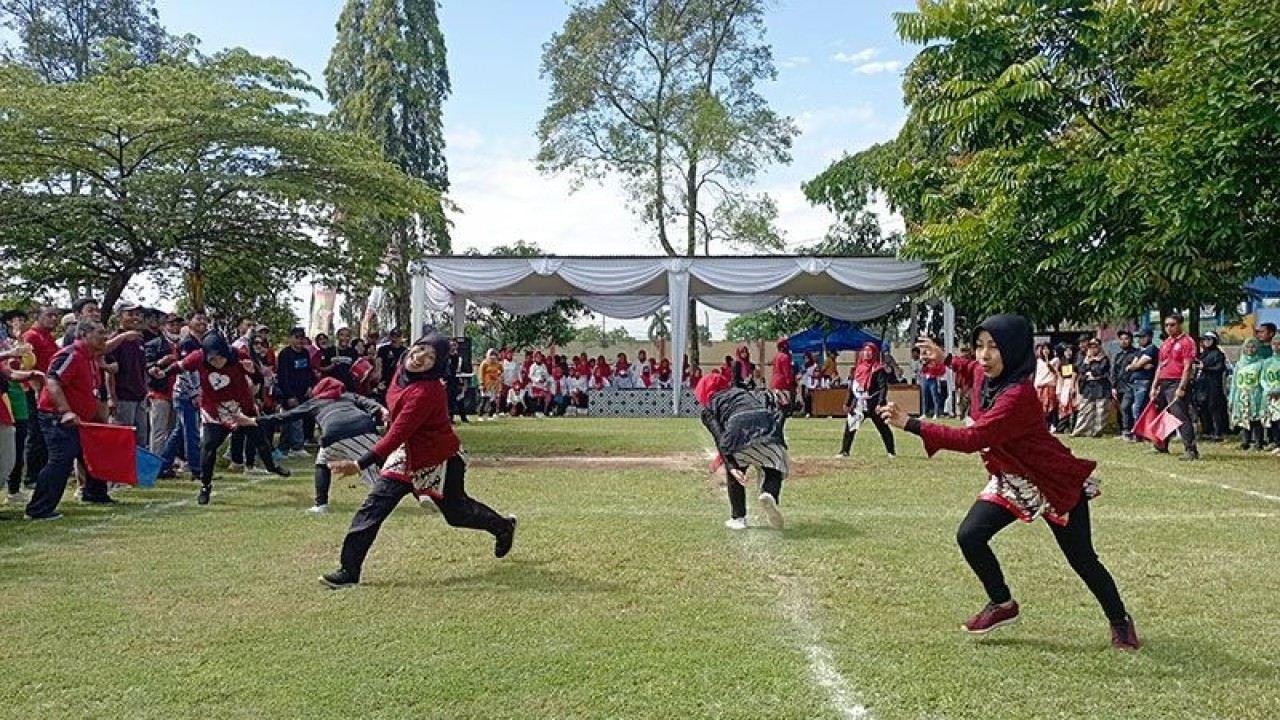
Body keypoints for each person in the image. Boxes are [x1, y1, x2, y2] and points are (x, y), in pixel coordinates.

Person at [878, 316, 1138, 651]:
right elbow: (968, 367)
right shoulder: (984, 376)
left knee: (1082, 560)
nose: (984, 355)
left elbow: (973, 438)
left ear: (1014, 351)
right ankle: (1002, 604)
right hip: (1010, 478)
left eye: (994, 347)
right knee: (970, 536)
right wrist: (945, 359)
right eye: (980, 345)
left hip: (1051, 481)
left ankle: (1120, 621)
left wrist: (911, 424)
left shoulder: (1018, 396)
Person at [321, 332, 517, 589]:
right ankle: (349, 570)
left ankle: (503, 527)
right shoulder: (401, 370)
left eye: (431, 356)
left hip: (438, 458)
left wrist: (359, 464)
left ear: (438, 364)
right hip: (405, 454)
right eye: (421, 348)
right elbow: (396, 415)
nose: (421, 357)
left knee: (457, 514)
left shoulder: (428, 390)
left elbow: (399, 432)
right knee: (373, 507)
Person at [179, 331, 290, 505]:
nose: (217, 363)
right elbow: (178, 367)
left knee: (259, 439)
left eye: (220, 358)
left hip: (241, 405)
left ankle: (271, 466)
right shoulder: (196, 357)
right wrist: (161, 371)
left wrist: (252, 371)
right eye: (212, 360)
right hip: (214, 407)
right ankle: (205, 486)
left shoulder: (239, 355)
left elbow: (259, 377)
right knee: (209, 445)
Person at [259, 376, 386, 513]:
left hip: (335, 434)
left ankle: (321, 505)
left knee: (368, 474)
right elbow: (370, 403)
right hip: (365, 428)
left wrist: (255, 420)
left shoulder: (315, 402)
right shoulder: (349, 396)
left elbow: (286, 416)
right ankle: (394, 489)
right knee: (326, 461)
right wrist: (383, 411)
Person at [695, 372, 790, 531]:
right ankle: (769, 494)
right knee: (773, 469)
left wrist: (731, 466)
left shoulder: (708, 410)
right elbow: (767, 414)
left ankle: (738, 518)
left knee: (735, 472)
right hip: (768, 427)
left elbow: (721, 439)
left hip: (737, 431)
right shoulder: (741, 392)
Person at [1150, 314, 1199, 460]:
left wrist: (1182, 386)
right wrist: (1154, 386)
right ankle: (1161, 445)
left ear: (1180, 325)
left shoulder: (1187, 342)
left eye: (1172, 325)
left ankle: (1191, 449)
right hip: (1164, 382)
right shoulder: (1166, 343)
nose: (1169, 328)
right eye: (1166, 325)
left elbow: (1187, 366)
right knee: (1162, 414)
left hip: (1177, 381)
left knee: (1180, 415)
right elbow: (1160, 366)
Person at [837, 342, 895, 458]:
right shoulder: (858, 369)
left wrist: (880, 403)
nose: (867, 353)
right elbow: (852, 387)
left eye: (870, 351)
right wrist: (848, 403)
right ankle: (844, 451)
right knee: (850, 426)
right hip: (858, 403)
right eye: (865, 351)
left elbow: (883, 387)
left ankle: (891, 451)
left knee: (883, 427)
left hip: (873, 403)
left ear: (874, 353)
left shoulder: (878, 369)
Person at [1071, 338, 1111, 438]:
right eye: (1090, 347)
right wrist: (1087, 362)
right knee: (1085, 410)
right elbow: (1081, 370)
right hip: (1088, 387)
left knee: (1100, 411)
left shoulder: (1104, 359)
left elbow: (1099, 371)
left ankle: (1097, 432)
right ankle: (1080, 431)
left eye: (1095, 347)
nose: (1092, 349)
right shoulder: (1085, 358)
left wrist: (1091, 369)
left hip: (1101, 387)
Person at [1195, 332, 1230, 442]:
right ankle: (1207, 431)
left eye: (1209, 339)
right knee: (1203, 408)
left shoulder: (1218, 354)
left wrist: (1205, 367)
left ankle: (1217, 432)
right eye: (1204, 339)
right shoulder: (1203, 354)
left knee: (1214, 408)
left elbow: (1220, 368)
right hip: (1201, 385)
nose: (1206, 342)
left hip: (1213, 385)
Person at [1110, 331, 1140, 440]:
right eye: (1121, 339)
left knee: (1126, 407)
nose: (1123, 341)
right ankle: (1123, 430)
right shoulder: (1118, 355)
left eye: (1126, 338)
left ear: (1131, 340)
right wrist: (1113, 386)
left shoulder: (1136, 353)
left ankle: (1129, 431)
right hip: (1119, 386)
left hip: (1131, 386)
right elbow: (1113, 371)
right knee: (1120, 409)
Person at [1259, 338, 1280, 451]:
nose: (1276, 347)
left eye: (1279, 344)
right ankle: (1275, 442)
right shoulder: (1267, 362)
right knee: (1272, 419)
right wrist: (1268, 389)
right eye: (1274, 344)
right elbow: (1262, 378)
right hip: (1270, 395)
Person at [770, 337, 796, 408]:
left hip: (774, 382)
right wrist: (790, 382)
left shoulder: (776, 356)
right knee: (785, 402)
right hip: (783, 382)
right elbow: (786, 371)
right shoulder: (785, 357)